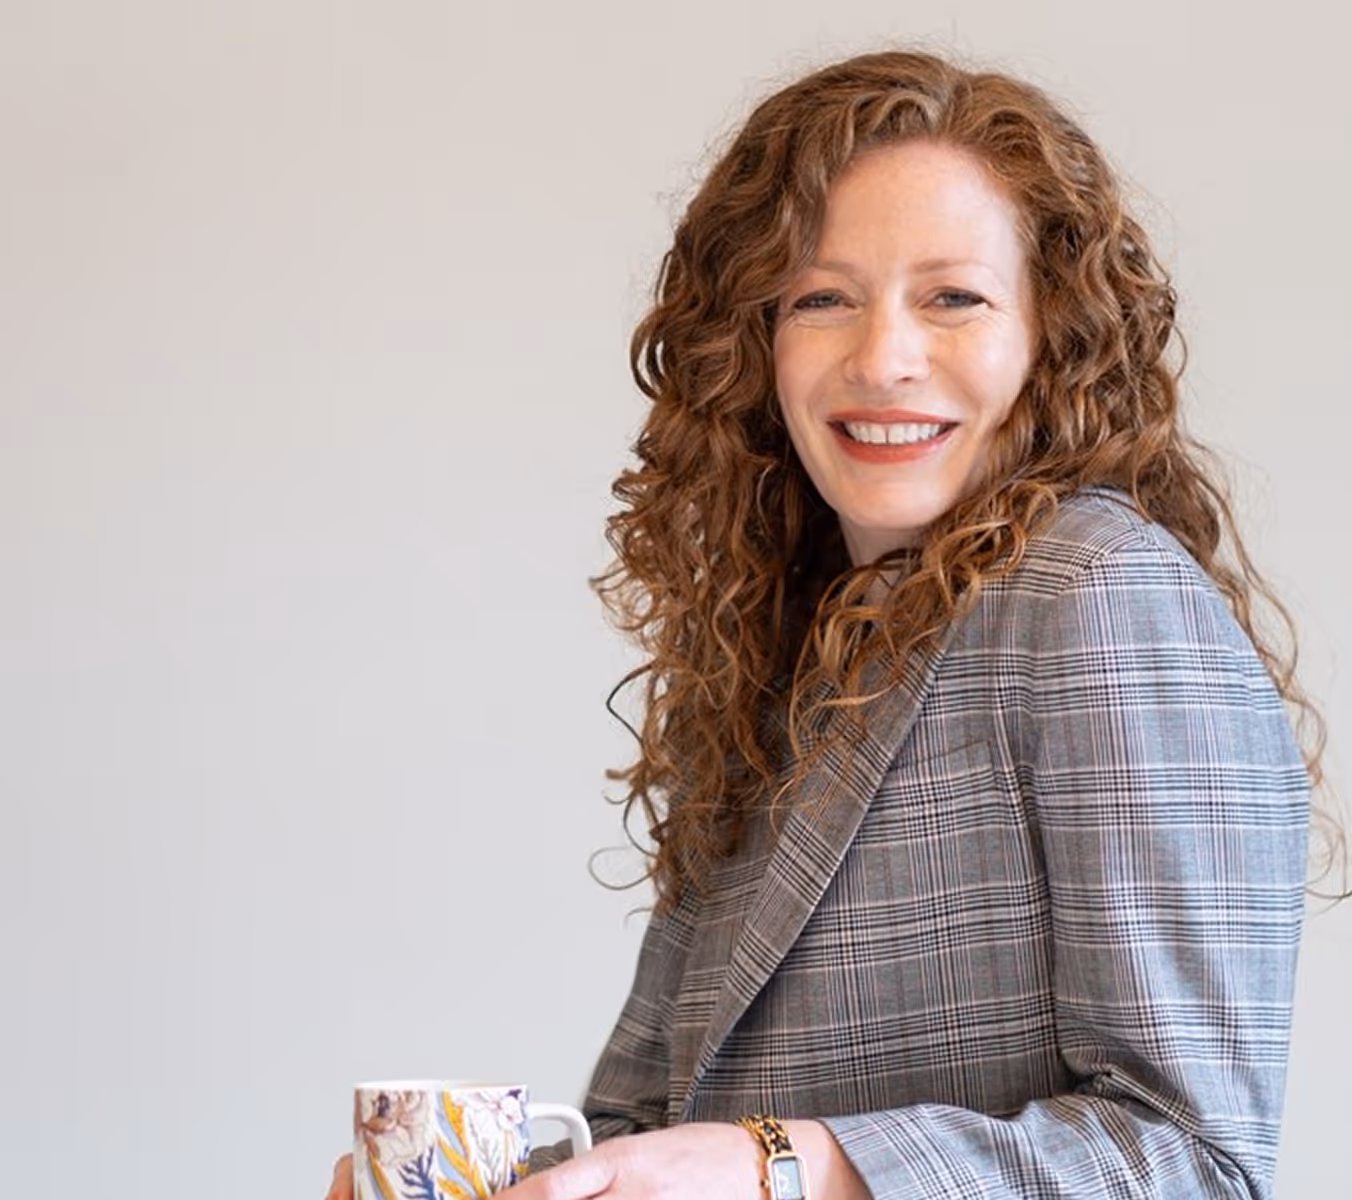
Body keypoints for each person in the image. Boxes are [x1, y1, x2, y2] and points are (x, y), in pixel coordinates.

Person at [326, 48, 1335, 1200]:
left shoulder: (1097, 595)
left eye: (951, 297)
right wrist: (496, 1185)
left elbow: (1192, 1159)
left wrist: (788, 1167)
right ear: (755, 345)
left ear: (1047, 336)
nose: (881, 359)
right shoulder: (789, 649)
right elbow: (653, 1123)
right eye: (821, 298)